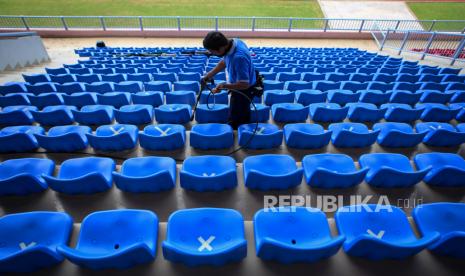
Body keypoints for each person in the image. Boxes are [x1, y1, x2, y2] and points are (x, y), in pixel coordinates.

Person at [201, 31, 257, 129]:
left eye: (212, 51)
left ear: (221, 47)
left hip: (243, 92)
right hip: (238, 86)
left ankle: (239, 132)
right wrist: (208, 76)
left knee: (238, 116)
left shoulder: (238, 58)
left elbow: (244, 84)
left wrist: (224, 85)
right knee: (240, 112)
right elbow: (224, 62)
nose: (211, 53)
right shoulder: (236, 42)